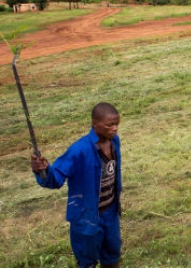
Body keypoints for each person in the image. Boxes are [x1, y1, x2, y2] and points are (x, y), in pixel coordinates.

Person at [31, 102, 123, 268]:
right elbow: (56, 179)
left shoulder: (114, 142)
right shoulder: (78, 151)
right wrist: (42, 170)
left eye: (116, 124)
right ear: (95, 123)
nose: (115, 128)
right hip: (86, 217)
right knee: (87, 261)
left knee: (112, 256)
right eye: (110, 125)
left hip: (110, 212)